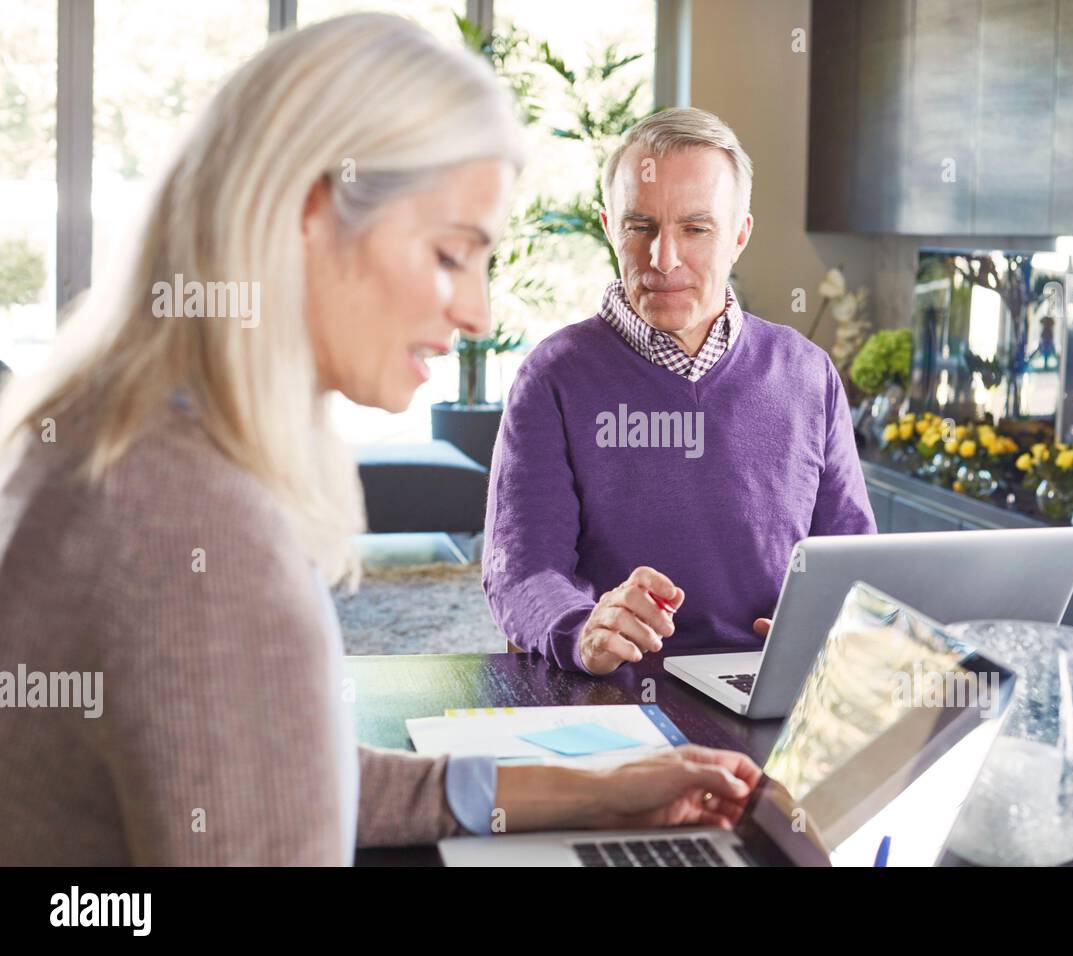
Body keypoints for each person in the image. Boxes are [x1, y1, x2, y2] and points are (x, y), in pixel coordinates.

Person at [0, 14, 758, 866]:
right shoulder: (190, 521)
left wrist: (605, 791)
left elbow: (291, 775)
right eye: (447, 254)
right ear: (311, 214)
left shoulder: (127, 440)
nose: (476, 312)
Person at [482, 107, 876, 675]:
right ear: (608, 226)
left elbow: (853, 560)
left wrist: (833, 626)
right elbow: (521, 568)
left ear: (739, 235)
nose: (663, 259)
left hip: (771, 688)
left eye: (696, 228)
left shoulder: (808, 374)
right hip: (613, 692)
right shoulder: (553, 377)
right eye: (640, 226)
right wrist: (581, 629)